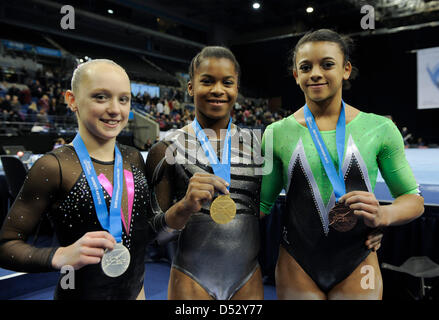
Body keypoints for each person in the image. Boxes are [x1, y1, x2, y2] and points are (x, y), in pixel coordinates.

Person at [260, 29, 424, 300]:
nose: (315, 73)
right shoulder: (276, 133)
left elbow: (412, 199)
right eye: (305, 67)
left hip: (357, 260)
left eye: (327, 64)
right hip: (296, 262)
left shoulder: (379, 128)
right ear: (295, 75)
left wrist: (385, 215)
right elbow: (262, 206)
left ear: (346, 70)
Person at [0, 59, 153, 300]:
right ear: (72, 100)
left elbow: (142, 231)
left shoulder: (133, 158)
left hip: (137, 293)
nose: (115, 109)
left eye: (123, 99)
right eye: (101, 97)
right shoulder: (54, 166)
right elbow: (6, 244)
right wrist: (58, 256)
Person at [145, 46, 264, 300]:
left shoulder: (258, 147)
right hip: (191, 278)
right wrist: (184, 207)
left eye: (227, 82)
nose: (218, 90)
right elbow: (155, 237)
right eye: (207, 81)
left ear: (237, 89)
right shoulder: (166, 150)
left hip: (247, 278)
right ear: (190, 87)